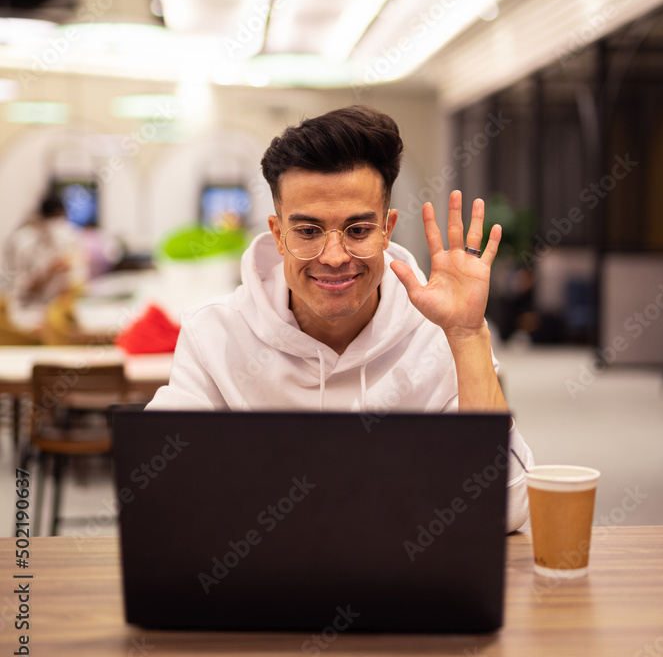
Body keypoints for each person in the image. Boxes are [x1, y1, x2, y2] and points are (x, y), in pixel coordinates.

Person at [147, 106, 534, 530]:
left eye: (358, 230)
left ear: (386, 230)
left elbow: (505, 508)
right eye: (309, 231)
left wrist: (467, 334)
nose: (334, 257)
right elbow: (161, 490)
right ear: (278, 235)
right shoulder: (213, 333)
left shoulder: (440, 335)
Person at [3, 193, 87, 332]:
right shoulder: (25, 242)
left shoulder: (62, 238)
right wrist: (50, 271)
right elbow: (22, 291)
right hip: (28, 310)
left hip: (53, 306)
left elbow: (74, 281)